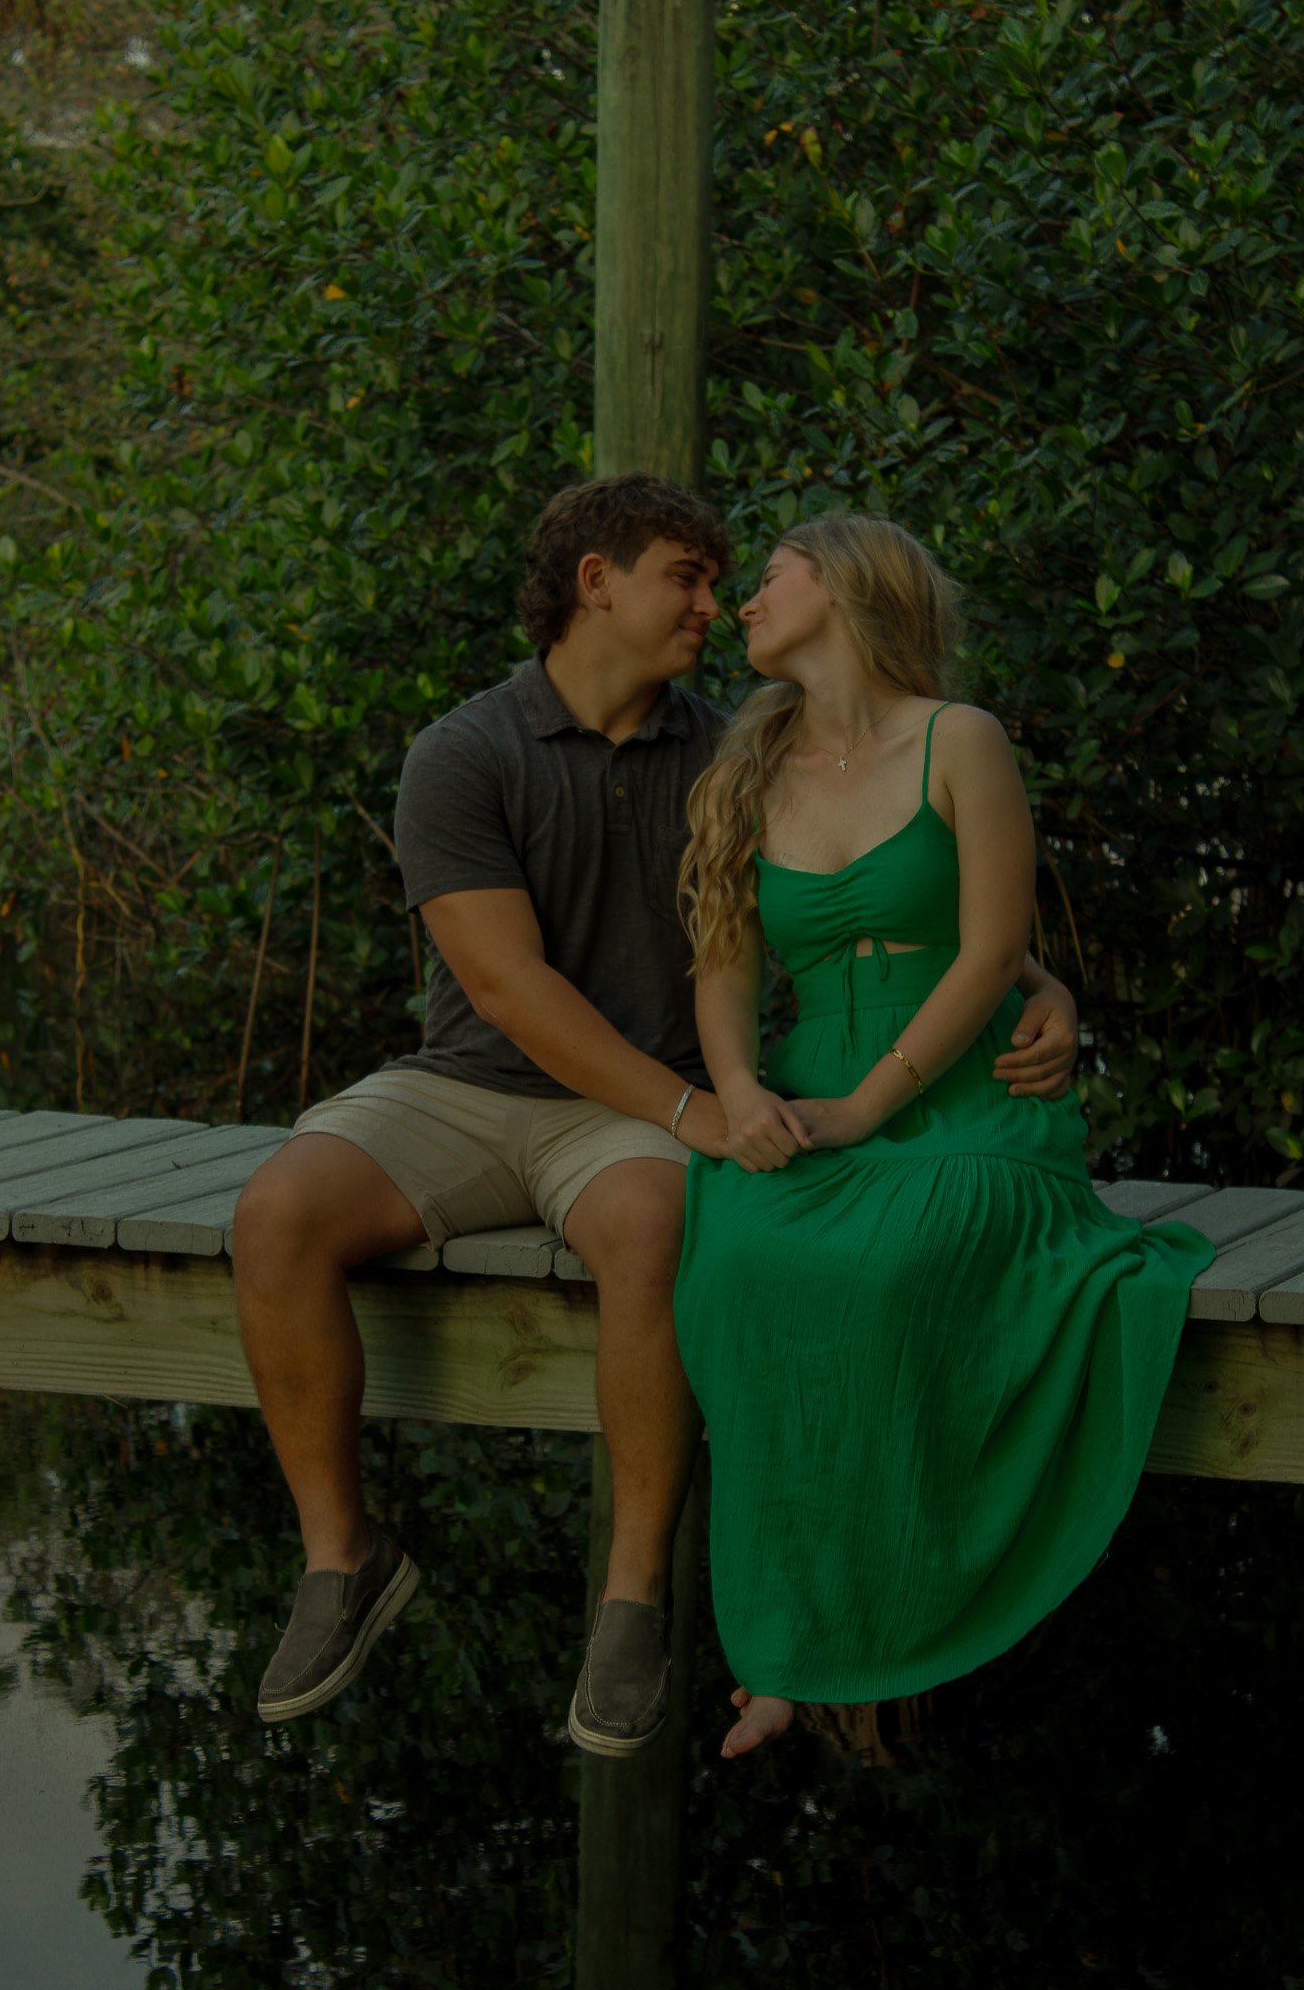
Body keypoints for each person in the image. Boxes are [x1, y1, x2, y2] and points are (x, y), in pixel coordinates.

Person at [230, 473, 1081, 1750]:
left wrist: (1037, 976)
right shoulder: (463, 753)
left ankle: (631, 1602)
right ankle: (341, 1556)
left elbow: (883, 877)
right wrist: (700, 1105)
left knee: (648, 1234)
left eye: (728, 577)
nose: (713, 600)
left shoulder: (732, 746)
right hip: (473, 1082)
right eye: (685, 576)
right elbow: (507, 990)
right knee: (274, 1206)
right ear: (596, 583)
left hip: (635, 1115)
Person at [671, 514, 1215, 1760]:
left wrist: (873, 1104)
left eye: (766, 577)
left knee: (890, 1269)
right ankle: (781, 1645)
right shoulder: (743, 767)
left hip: (966, 1102)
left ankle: (885, 1621)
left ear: (848, 583)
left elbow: (991, 951)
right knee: (744, 1271)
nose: (742, 602)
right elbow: (723, 969)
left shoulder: (960, 742)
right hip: (802, 1092)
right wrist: (741, 1088)